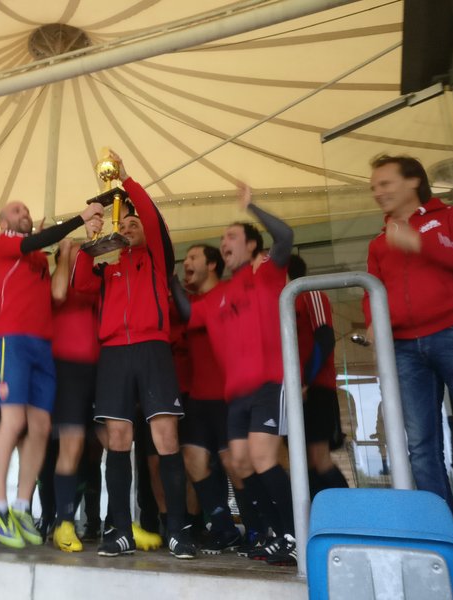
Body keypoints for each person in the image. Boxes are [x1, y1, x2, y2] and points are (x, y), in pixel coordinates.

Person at [71, 150, 195, 560]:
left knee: (166, 438)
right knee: (118, 441)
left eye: (132, 224)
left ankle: (178, 530)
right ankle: (120, 529)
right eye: (121, 225)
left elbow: (152, 218)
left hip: (152, 349)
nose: (126, 228)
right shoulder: (110, 268)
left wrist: (126, 180)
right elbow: (81, 286)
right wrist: (90, 239)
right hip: (114, 354)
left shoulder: (156, 259)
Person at [178, 183, 297, 566]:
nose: (224, 242)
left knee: (262, 458)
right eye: (222, 239)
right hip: (236, 396)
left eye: (231, 237)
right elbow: (188, 313)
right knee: (241, 464)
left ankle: (295, 533)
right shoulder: (218, 296)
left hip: (269, 384)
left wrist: (252, 207)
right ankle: (274, 534)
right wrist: (167, 277)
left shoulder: (267, 274)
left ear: (252, 246)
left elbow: (286, 236)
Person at [0, 199, 104, 549]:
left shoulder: (37, 258)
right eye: (16, 211)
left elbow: (57, 294)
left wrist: (64, 252)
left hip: (42, 348)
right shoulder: (4, 242)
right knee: (13, 422)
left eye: (26, 211)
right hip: (11, 341)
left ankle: (22, 506)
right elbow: (37, 240)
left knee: (40, 426)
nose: (23, 214)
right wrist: (80, 219)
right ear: (3, 221)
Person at [364, 154, 453, 518]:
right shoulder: (379, 243)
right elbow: (372, 291)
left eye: (385, 183)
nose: (378, 192)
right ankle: (443, 537)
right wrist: (372, 323)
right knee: (421, 447)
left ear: (413, 181)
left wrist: (420, 243)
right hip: (404, 347)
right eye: (374, 187)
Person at [177, 244, 244, 554]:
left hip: (228, 393)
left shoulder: (228, 292)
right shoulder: (189, 301)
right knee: (193, 460)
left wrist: (172, 284)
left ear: (213, 264)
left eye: (193, 257)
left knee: (235, 463)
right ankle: (223, 527)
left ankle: (259, 528)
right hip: (197, 395)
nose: (186, 263)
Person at [43, 236, 101, 552]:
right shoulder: (58, 283)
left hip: (99, 370)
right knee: (71, 444)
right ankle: (62, 521)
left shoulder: (94, 285)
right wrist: (65, 250)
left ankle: (101, 521)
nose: (85, 257)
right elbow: (59, 292)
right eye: (80, 253)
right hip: (67, 370)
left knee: (97, 448)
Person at [287, 254, 348, 497]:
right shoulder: (280, 303)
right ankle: (317, 515)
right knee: (303, 462)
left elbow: (325, 337)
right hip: (292, 392)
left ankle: (351, 513)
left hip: (316, 388)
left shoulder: (310, 293)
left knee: (318, 458)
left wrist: (305, 381)